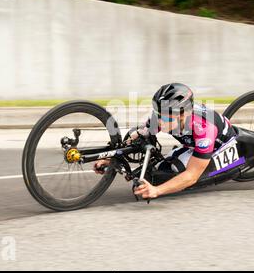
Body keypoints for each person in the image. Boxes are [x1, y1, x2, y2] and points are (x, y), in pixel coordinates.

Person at [93, 83, 236, 200]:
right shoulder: (167, 114)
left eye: (166, 117)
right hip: (192, 144)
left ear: (183, 114)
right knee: (151, 161)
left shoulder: (204, 129)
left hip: (219, 146)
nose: (160, 121)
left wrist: (156, 190)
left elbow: (192, 175)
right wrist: (113, 158)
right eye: (157, 114)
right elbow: (137, 137)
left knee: (169, 172)